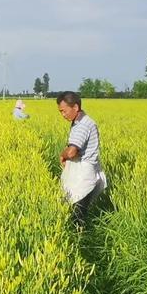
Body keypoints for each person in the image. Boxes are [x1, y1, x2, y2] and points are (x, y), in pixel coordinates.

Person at [56, 91, 107, 226]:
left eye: (64, 111)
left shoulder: (82, 125)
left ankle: (78, 237)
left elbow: (72, 152)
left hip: (82, 173)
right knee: (78, 210)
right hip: (84, 171)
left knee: (77, 212)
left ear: (75, 107)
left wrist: (63, 155)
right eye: (60, 112)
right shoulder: (81, 121)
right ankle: (79, 234)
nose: (63, 115)